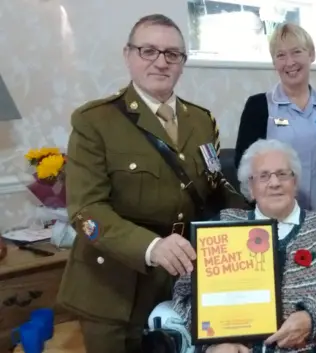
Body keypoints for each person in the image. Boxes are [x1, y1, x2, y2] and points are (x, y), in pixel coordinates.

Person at [57, 14, 246, 353]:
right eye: (149, 51)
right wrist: (151, 247)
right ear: (128, 55)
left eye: (172, 54)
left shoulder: (201, 120)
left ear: (182, 63)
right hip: (113, 287)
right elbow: (86, 212)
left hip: (181, 283)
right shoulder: (95, 121)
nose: (161, 62)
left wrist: (260, 219)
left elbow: (216, 187)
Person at [172, 139, 316, 353]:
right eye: (264, 176)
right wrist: (215, 342)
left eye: (283, 174)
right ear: (250, 186)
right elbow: (185, 294)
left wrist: (312, 318)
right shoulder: (220, 228)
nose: (274, 183)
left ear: (295, 182)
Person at [233, 23, 316, 217]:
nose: (289, 62)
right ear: (274, 62)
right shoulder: (259, 107)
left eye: (296, 52)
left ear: (311, 55)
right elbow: (245, 167)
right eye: (281, 55)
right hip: (273, 219)